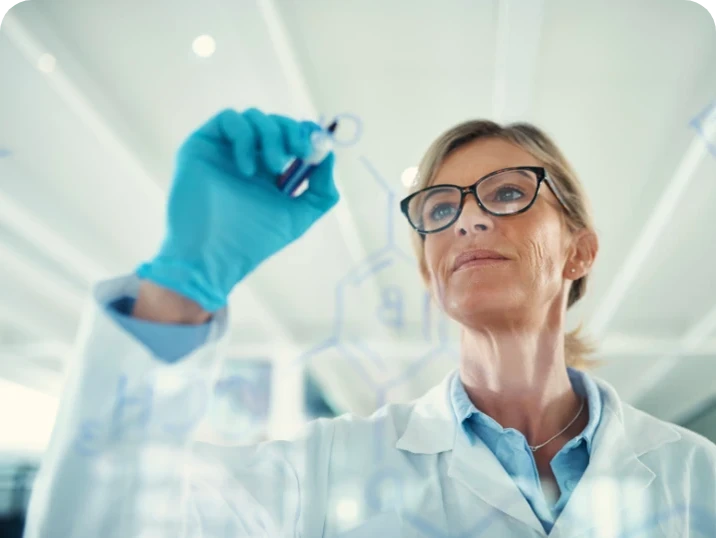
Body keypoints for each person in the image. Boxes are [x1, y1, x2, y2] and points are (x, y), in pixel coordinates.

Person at [23, 108, 716, 538]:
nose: (469, 217)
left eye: (509, 193)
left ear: (580, 251)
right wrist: (179, 287)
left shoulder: (696, 477)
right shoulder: (322, 472)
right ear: (429, 270)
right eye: (440, 208)